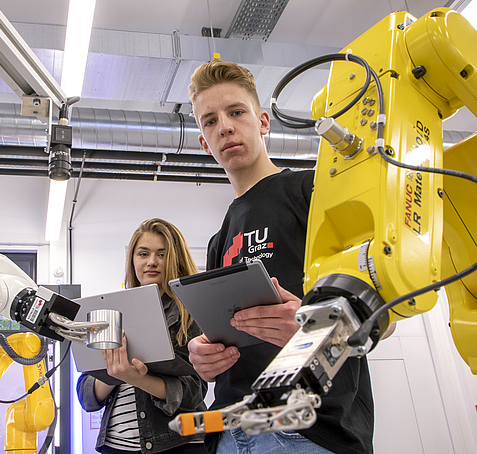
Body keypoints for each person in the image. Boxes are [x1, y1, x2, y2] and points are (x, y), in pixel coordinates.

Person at [186, 60, 376, 454]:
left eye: (236, 112)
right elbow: (226, 335)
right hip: (228, 433)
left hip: (306, 430)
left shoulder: (312, 192)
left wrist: (316, 330)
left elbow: (383, 309)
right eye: (210, 121)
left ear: (263, 121)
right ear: (204, 142)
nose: (224, 126)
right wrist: (203, 356)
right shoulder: (219, 239)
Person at [77, 218, 209, 454]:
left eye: (161, 254)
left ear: (175, 259)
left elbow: (195, 391)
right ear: (132, 260)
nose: (151, 262)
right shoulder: (109, 312)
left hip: (177, 443)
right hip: (115, 445)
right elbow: (86, 395)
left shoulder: (190, 310)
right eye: (143, 254)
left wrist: (136, 378)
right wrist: (114, 374)